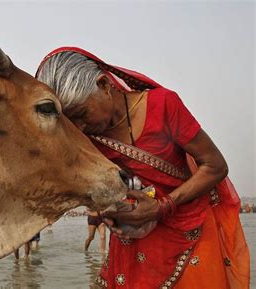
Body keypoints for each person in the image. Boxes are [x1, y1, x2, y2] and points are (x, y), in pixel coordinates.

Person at [36, 47, 249, 289]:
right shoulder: (89, 138)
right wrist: (111, 216)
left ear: (104, 85)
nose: (81, 128)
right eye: (71, 123)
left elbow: (215, 166)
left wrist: (161, 207)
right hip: (135, 240)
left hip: (191, 227)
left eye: (82, 114)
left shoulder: (163, 105)